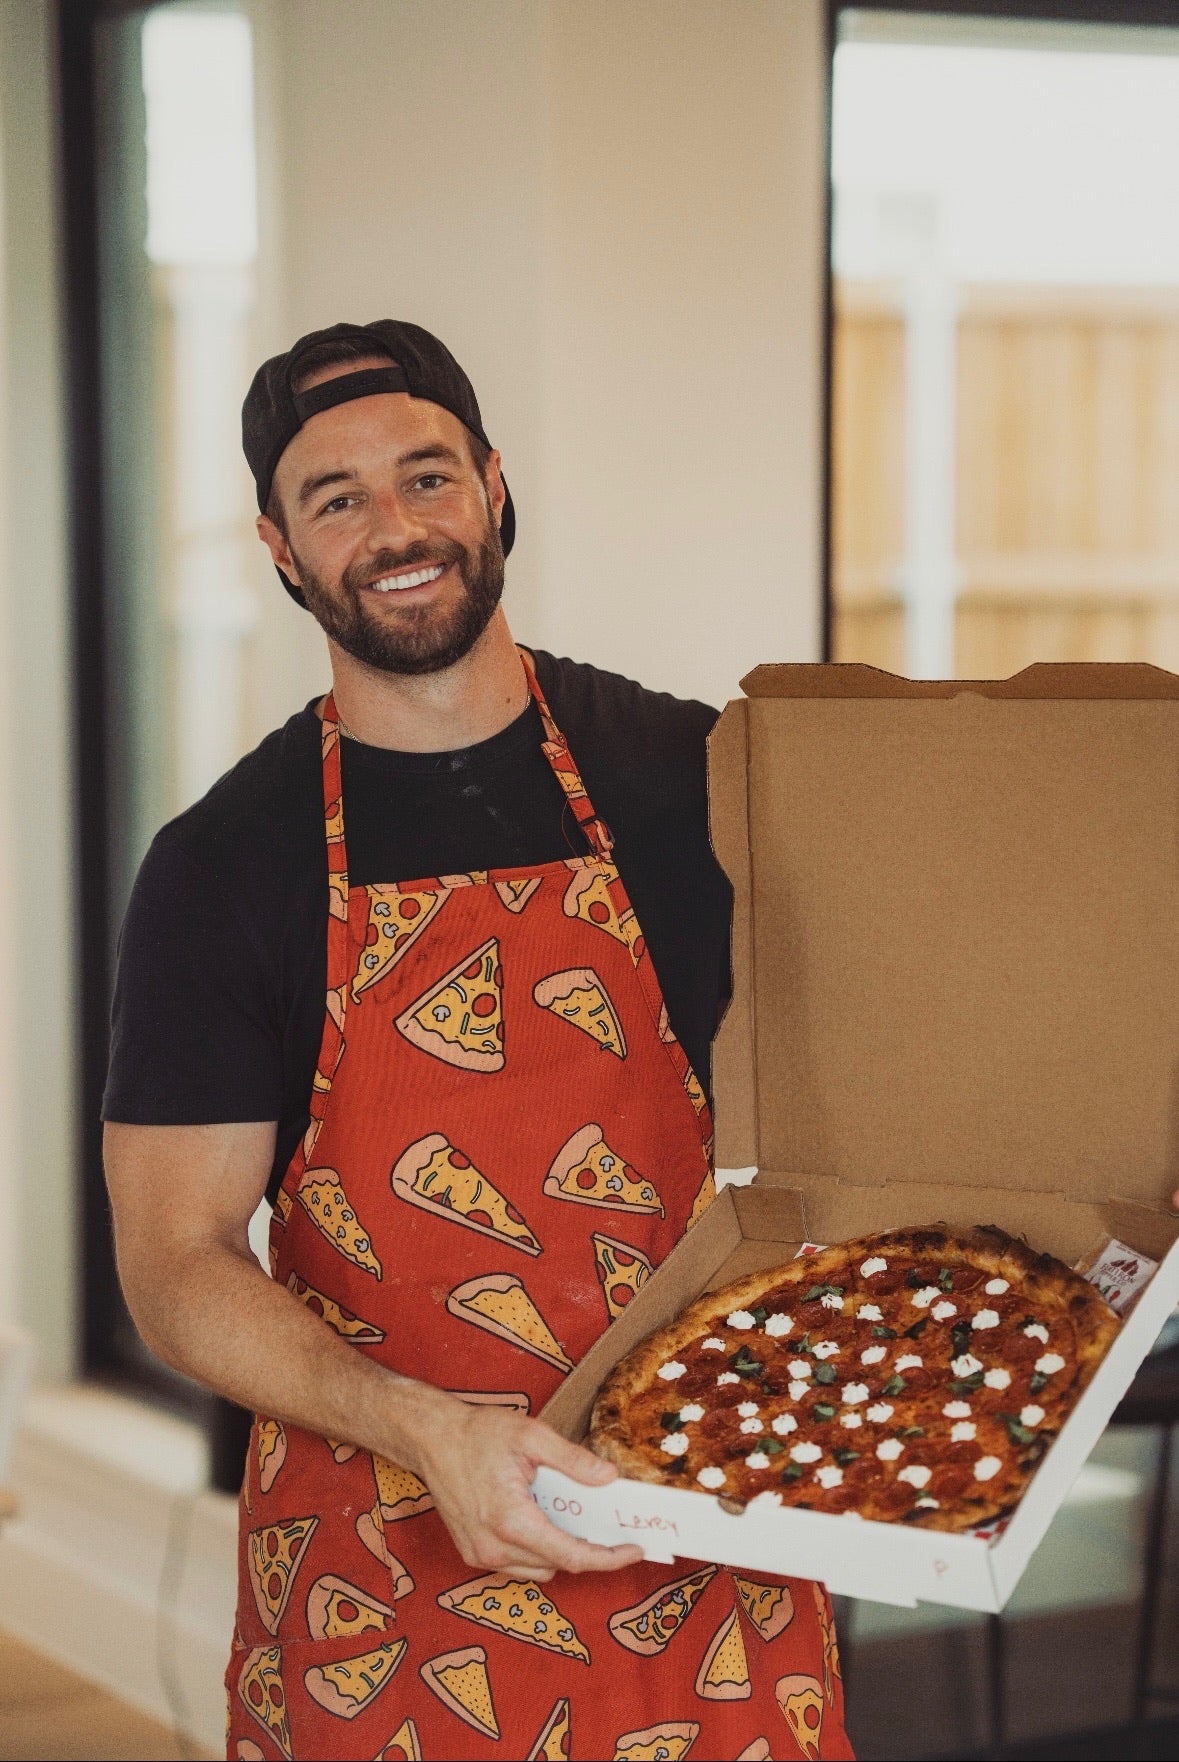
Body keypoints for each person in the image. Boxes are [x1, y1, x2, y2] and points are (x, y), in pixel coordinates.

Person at [103, 320, 852, 1760]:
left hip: (702, 1546)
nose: (397, 528)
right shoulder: (225, 867)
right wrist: (427, 1427)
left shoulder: (702, 779)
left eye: (428, 476)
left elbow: (874, 1098)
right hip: (383, 1590)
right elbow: (173, 1259)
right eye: (339, 498)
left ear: (494, 487)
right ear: (280, 543)